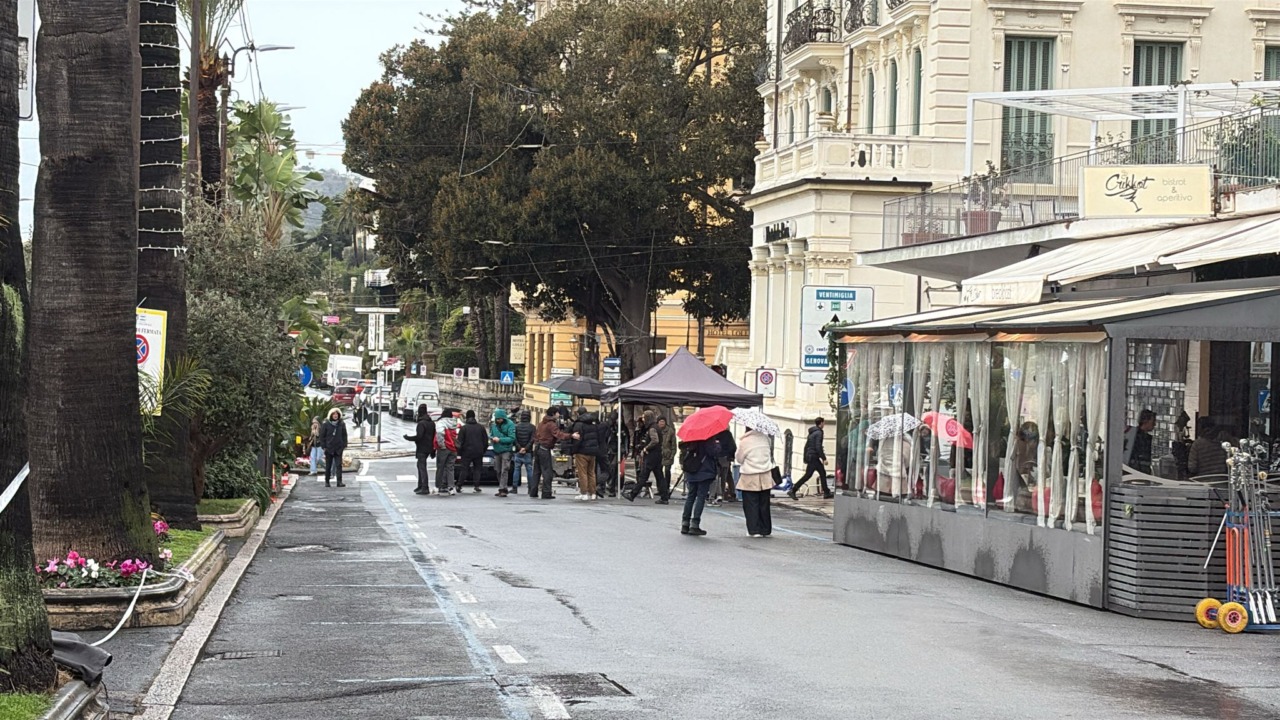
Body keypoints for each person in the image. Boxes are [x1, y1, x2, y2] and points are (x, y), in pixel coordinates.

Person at [735, 428, 774, 537]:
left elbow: (739, 459)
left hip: (750, 475)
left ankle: (754, 529)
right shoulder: (765, 438)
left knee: (751, 503)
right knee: (764, 503)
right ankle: (765, 528)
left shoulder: (745, 442)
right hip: (765, 474)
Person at [533, 408, 577, 499]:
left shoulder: (541, 423)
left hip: (538, 447)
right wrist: (571, 435)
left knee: (536, 471)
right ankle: (546, 493)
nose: (558, 414)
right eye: (557, 413)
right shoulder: (551, 424)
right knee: (547, 472)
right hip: (545, 449)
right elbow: (558, 434)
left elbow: (536, 436)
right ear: (553, 414)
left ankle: (533, 491)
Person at [681, 438, 721, 536]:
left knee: (691, 496)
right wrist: (718, 444)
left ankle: (685, 523)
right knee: (701, 497)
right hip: (704, 471)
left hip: (692, 470)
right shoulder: (708, 439)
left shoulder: (692, 439)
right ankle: (695, 524)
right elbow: (713, 452)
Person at [789, 417, 831, 499]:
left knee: (811, 474)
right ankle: (793, 490)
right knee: (820, 473)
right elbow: (818, 446)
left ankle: (826, 492)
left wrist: (806, 457)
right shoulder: (819, 433)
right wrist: (824, 458)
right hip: (814, 457)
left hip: (811, 456)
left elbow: (807, 446)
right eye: (824, 423)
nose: (824, 424)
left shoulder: (812, 433)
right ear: (821, 423)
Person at [627, 411, 663, 502]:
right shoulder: (656, 427)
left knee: (643, 476)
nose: (643, 419)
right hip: (657, 455)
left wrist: (646, 448)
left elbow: (655, 440)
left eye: (644, 418)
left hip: (651, 455)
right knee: (659, 476)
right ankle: (665, 496)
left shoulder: (652, 428)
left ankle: (633, 494)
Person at [404, 404, 436, 495]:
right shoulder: (431, 423)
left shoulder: (421, 423)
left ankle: (424, 487)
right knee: (420, 466)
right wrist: (433, 450)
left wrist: (408, 438)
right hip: (429, 447)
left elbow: (419, 436)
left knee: (422, 467)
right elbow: (434, 436)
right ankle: (420, 485)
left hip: (422, 448)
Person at [571, 407, 600, 500]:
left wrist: (573, 450)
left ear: (579, 414)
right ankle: (593, 493)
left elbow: (577, 439)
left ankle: (584, 493)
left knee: (582, 473)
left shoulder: (579, 424)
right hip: (593, 452)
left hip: (582, 451)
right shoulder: (593, 423)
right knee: (591, 472)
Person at [457, 410, 489, 493]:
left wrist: (460, 452)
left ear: (467, 417)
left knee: (464, 469)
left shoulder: (464, 428)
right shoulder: (481, 427)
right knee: (477, 469)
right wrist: (483, 450)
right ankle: (476, 486)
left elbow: (459, 442)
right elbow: (485, 441)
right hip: (478, 451)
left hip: (466, 452)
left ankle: (459, 485)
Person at [488, 409, 516, 497]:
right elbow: (491, 434)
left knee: (505, 469)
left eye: (500, 419)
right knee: (498, 470)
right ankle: (503, 487)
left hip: (506, 450)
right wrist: (491, 438)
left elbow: (512, 438)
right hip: (497, 450)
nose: (499, 420)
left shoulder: (510, 424)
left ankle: (502, 489)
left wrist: (500, 439)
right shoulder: (493, 425)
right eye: (497, 419)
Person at [318, 408, 348, 488]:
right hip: (329, 448)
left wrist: (344, 445)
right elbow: (322, 436)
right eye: (334, 414)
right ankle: (327, 482)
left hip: (338, 448)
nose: (335, 416)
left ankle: (339, 481)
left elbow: (344, 435)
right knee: (328, 466)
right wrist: (324, 446)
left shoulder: (341, 424)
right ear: (331, 415)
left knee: (339, 465)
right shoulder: (326, 424)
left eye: (337, 414)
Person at [435, 409, 460, 495]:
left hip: (444, 448)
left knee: (440, 467)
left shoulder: (441, 423)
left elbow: (439, 434)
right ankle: (451, 487)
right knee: (450, 468)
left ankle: (438, 486)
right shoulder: (454, 422)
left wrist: (441, 445)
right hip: (453, 449)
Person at [1124, 409, 1157, 475]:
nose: (1154, 424)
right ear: (1145, 421)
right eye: (1153, 421)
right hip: (1134, 471)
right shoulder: (1134, 435)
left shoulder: (1146, 437)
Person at [712, 428, 737, 505]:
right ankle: (730, 493)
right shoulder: (727, 434)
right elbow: (733, 447)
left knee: (720, 476)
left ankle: (720, 494)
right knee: (726, 476)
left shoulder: (715, 433)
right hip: (725, 458)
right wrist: (731, 456)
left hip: (719, 457)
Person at [512, 410, 536, 493]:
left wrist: (519, 448)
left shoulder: (516, 426)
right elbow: (532, 439)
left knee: (516, 469)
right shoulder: (532, 427)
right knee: (529, 470)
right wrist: (526, 448)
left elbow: (514, 439)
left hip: (518, 452)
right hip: (528, 452)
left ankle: (514, 488)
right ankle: (530, 488)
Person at [596, 409, 618, 498]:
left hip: (604, 450)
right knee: (608, 469)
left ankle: (601, 486)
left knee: (604, 469)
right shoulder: (609, 427)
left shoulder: (602, 425)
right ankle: (600, 484)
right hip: (606, 450)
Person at [658, 417, 677, 502]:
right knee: (659, 472)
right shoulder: (656, 430)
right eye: (660, 422)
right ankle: (661, 489)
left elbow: (673, 445)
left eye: (663, 422)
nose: (661, 423)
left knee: (667, 471)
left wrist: (672, 455)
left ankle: (667, 488)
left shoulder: (670, 431)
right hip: (659, 455)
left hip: (667, 455)